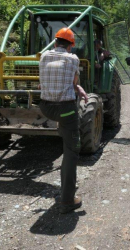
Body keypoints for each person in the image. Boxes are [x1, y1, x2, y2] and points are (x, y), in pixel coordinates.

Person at [39, 27, 88, 214]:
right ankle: (67, 200)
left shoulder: (43, 57)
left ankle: (62, 128)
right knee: (72, 150)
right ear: (70, 46)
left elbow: (43, 82)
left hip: (45, 107)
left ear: (55, 42)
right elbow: (74, 83)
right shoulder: (73, 59)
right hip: (65, 110)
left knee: (64, 123)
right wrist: (79, 88)